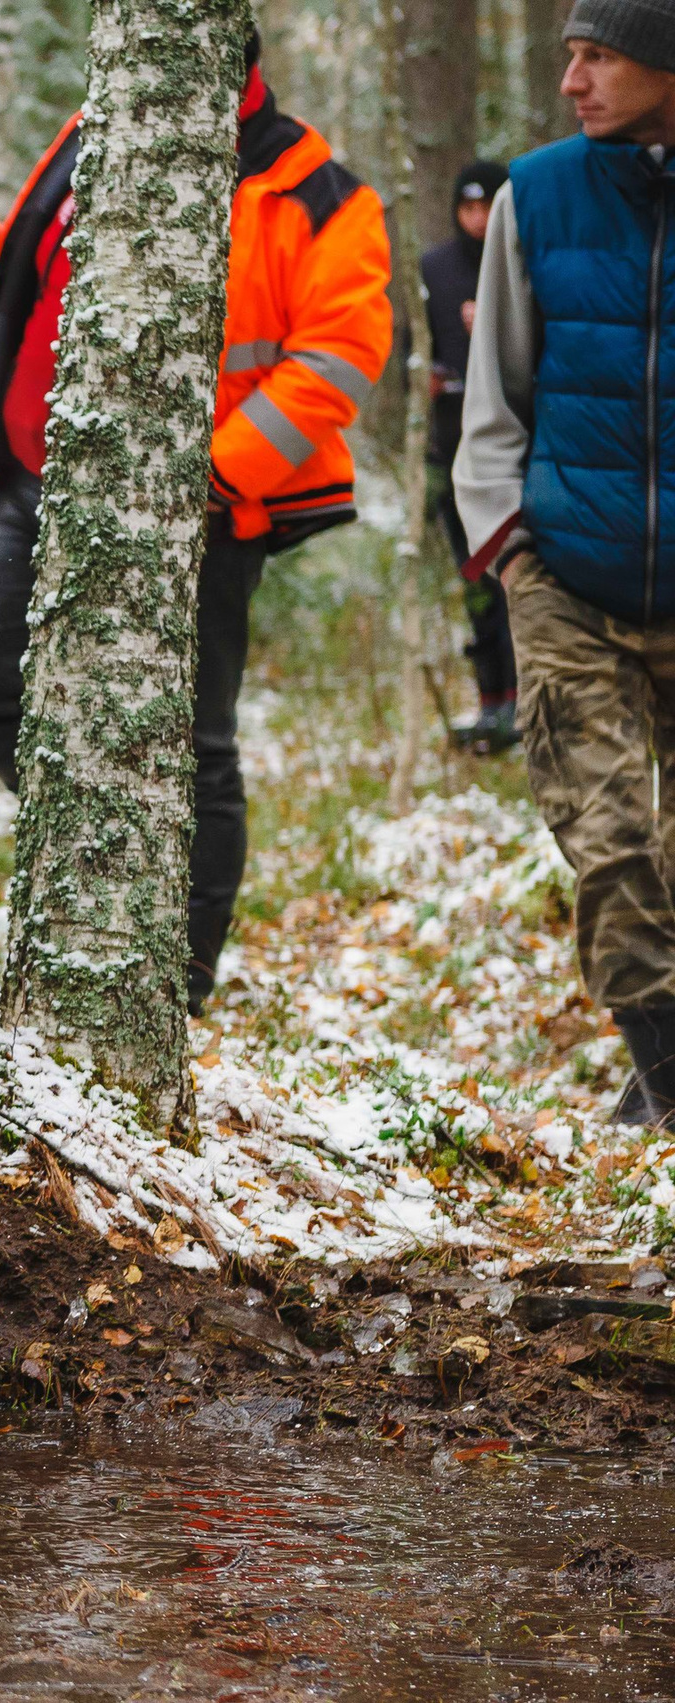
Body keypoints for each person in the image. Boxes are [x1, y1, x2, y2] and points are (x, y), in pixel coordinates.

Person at [0, 30, 393, 1014]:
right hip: (43, 480)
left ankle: (179, 986)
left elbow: (338, 361)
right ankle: (101, 831)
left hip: (206, 512)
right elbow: (19, 289)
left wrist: (206, 479)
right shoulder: (95, 133)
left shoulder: (321, 194)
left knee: (195, 739)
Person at [454, 0, 675, 1126]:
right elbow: (495, 391)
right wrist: (508, 545)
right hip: (567, 577)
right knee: (607, 837)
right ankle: (667, 1072)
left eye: (599, 57)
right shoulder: (534, 196)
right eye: (568, 56)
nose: (571, 82)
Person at [426, 161, 519, 753]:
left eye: (487, 207)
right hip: (450, 441)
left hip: (513, 446)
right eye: (468, 208)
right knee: (472, 574)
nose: (478, 220)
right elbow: (416, 347)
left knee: (515, 574)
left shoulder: (523, 259)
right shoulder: (435, 268)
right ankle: (490, 701)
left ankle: (522, 704)